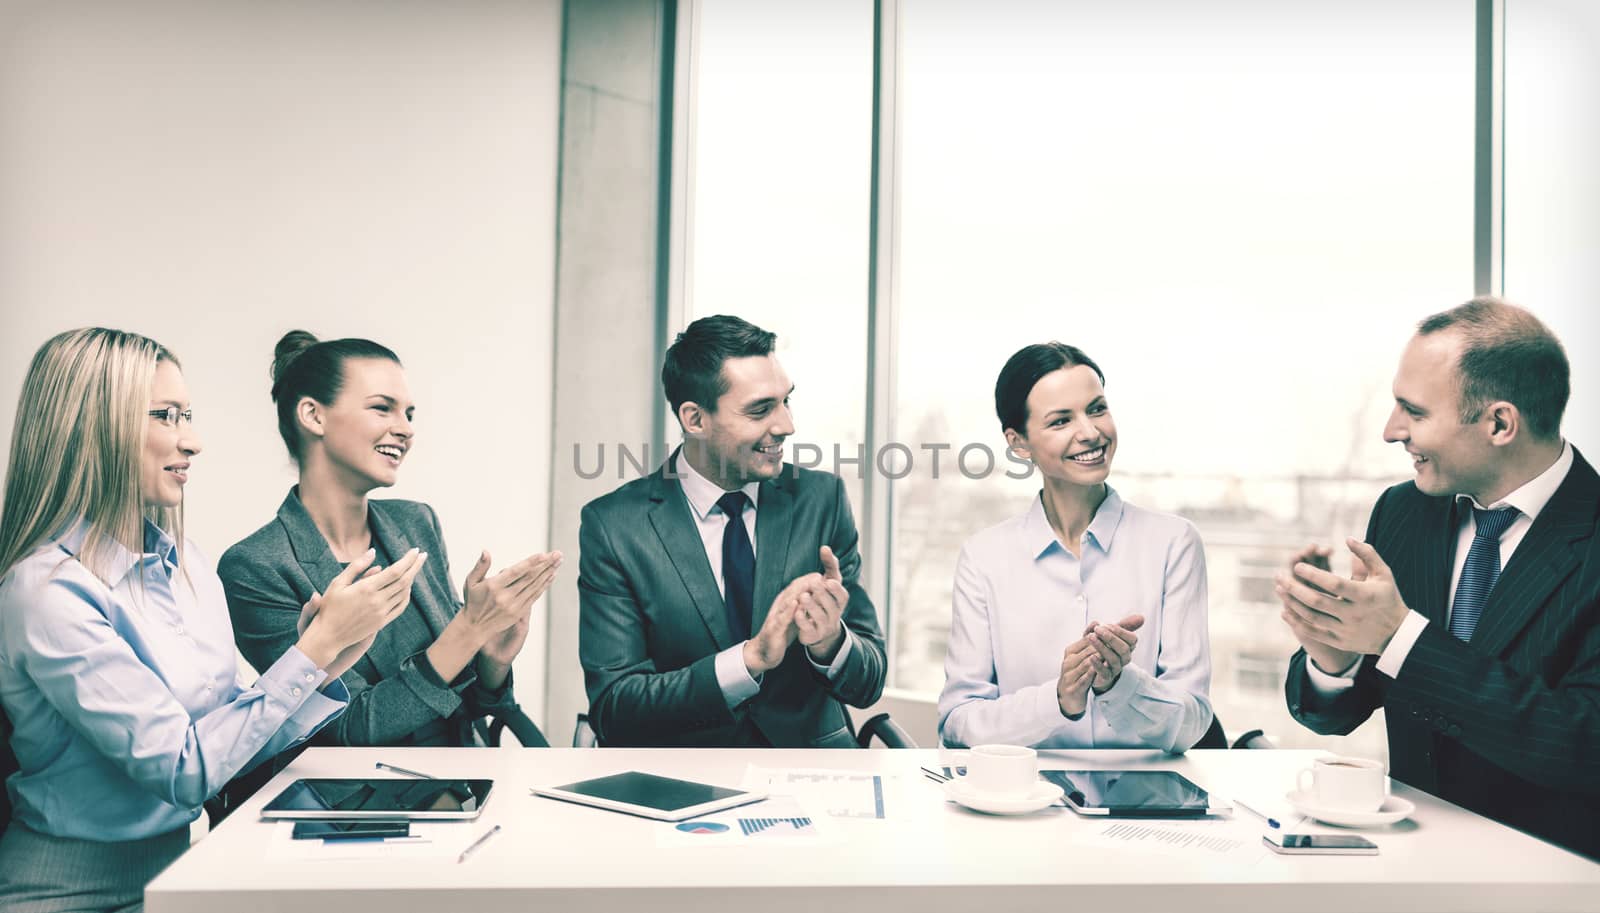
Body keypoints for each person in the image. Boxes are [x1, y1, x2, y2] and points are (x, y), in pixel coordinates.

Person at [0, 328, 412, 912]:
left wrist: (321, 664)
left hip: (186, 872)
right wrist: (310, 654)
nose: (192, 441)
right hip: (68, 891)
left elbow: (226, 736)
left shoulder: (185, 564)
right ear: (93, 430)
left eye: (187, 415)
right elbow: (184, 769)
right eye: (166, 416)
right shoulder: (45, 592)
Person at [1278, 297, 1598, 860]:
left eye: (1414, 411)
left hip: (1549, 877)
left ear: (1499, 422)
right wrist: (1334, 655)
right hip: (1407, 866)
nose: (1390, 430)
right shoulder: (1404, 512)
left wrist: (1398, 638)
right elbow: (1342, 713)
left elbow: (1581, 744)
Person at [221, 332, 560, 765]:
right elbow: (346, 730)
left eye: (409, 413)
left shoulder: (415, 522)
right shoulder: (256, 567)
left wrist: (492, 659)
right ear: (313, 415)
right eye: (382, 407)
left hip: (468, 789)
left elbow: (465, 704)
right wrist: (468, 630)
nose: (406, 429)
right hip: (362, 813)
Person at [578, 315, 886, 747]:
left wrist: (831, 642)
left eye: (786, 401)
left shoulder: (822, 499)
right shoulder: (615, 527)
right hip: (682, 784)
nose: (786, 426)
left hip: (813, 773)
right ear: (695, 419)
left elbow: (869, 682)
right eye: (761, 409)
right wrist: (749, 660)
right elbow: (615, 708)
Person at [939, 342, 1213, 751]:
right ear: (1018, 443)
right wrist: (1058, 699)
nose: (1090, 432)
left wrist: (1120, 684)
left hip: (1144, 806)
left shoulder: (1174, 543)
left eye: (1097, 408)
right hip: (1023, 804)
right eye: (1061, 420)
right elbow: (958, 723)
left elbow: (1192, 724)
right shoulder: (985, 558)